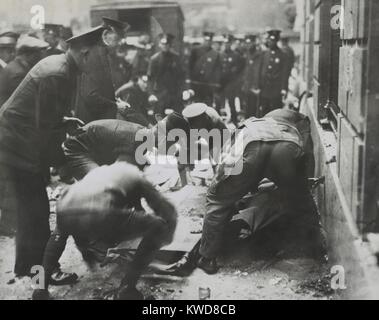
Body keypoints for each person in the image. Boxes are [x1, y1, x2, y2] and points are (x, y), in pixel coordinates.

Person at [0, 25, 109, 280]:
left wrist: (64, 121)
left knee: (30, 210)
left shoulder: (63, 66)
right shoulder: (58, 73)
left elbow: (46, 117)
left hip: (19, 141)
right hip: (19, 144)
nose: (99, 62)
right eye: (98, 56)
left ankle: (27, 268)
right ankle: (44, 274)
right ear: (84, 54)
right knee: (37, 213)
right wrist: (67, 165)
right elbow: (44, 129)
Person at [173, 108, 324, 275]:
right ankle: (316, 247)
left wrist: (224, 188)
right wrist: (304, 182)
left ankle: (207, 258)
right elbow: (307, 155)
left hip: (251, 146)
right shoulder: (298, 122)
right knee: (300, 196)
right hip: (287, 147)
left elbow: (227, 159)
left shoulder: (253, 123)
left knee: (216, 199)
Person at [32, 162, 177, 300]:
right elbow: (166, 211)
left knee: (58, 236)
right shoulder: (136, 175)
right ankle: (127, 287)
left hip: (65, 204)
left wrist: (85, 250)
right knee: (158, 226)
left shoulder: (100, 172)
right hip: (101, 211)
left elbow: (81, 208)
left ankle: (40, 287)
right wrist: (166, 235)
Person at [62, 113, 190, 181]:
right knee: (102, 186)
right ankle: (62, 227)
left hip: (91, 149)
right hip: (77, 150)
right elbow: (121, 181)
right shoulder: (136, 143)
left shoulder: (143, 134)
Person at [74, 17, 130, 124]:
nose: (119, 44)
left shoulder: (102, 54)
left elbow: (101, 88)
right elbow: (90, 96)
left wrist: (115, 100)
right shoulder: (94, 57)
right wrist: (116, 105)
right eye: (117, 39)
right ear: (105, 35)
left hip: (96, 121)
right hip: (90, 123)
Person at [0, 36, 49, 106]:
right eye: (38, 55)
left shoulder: (14, 65)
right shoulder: (19, 74)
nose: (41, 58)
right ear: (28, 55)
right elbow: (26, 101)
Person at [253, 29, 289, 117]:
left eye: (272, 40)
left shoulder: (282, 54)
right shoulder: (264, 54)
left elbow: (285, 73)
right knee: (264, 110)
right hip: (264, 88)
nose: (270, 42)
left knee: (276, 111)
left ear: (276, 41)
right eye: (269, 40)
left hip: (276, 89)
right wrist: (257, 86)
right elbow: (259, 70)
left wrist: (284, 88)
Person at [148, 33, 185, 117]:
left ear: (170, 45)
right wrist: (151, 94)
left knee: (178, 117)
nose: (165, 46)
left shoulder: (176, 58)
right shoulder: (154, 59)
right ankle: (161, 131)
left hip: (175, 93)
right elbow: (150, 78)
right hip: (160, 94)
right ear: (159, 44)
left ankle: (177, 130)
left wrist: (182, 90)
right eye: (163, 44)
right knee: (159, 118)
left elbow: (181, 76)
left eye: (167, 44)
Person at [189, 32, 222, 107]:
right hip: (196, 83)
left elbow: (217, 70)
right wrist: (190, 80)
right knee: (196, 104)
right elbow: (190, 66)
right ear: (203, 40)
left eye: (209, 41)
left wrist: (216, 84)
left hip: (208, 85)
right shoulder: (195, 50)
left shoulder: (215, 54)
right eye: (206, 40)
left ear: (211, 41)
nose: (208, 42)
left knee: (208, 105)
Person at [219, 34, 246, 124]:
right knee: (219, 102)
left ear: (231, 44)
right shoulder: (220, 55)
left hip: (231, 82)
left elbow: (241, 67)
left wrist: (236, 78)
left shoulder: (236, 55)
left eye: (228, 43)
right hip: (221, 83)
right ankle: (219, 120)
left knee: (231, 101)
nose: (226, 45)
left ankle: (234, 119)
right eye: (225, 43)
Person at [241, 34, 262, 118]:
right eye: (247, 43)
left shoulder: (259, 55)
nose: (248, 45)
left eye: (250, 43)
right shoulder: (246, 54)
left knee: (254, 108)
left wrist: (256, 86)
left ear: (254, 43)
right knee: (247, 107)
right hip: (247, 86)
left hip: (255, 87)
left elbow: (258, 72)